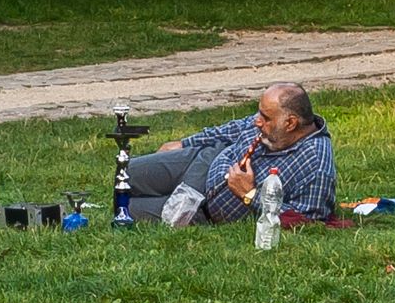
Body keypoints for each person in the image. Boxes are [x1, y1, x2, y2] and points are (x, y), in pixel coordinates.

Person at [126, 82, 336, 225]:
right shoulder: (273, 119)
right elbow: (234, 128)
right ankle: (176, 195)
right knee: (126, 173)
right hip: (202, 162)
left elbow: (306, 222)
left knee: (125, 207)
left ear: (290, 123)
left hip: (205, 209)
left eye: (265, 117)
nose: (257, 121)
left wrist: (249, 195)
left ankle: (175, 204)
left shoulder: (316, 166)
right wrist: (185, 143)